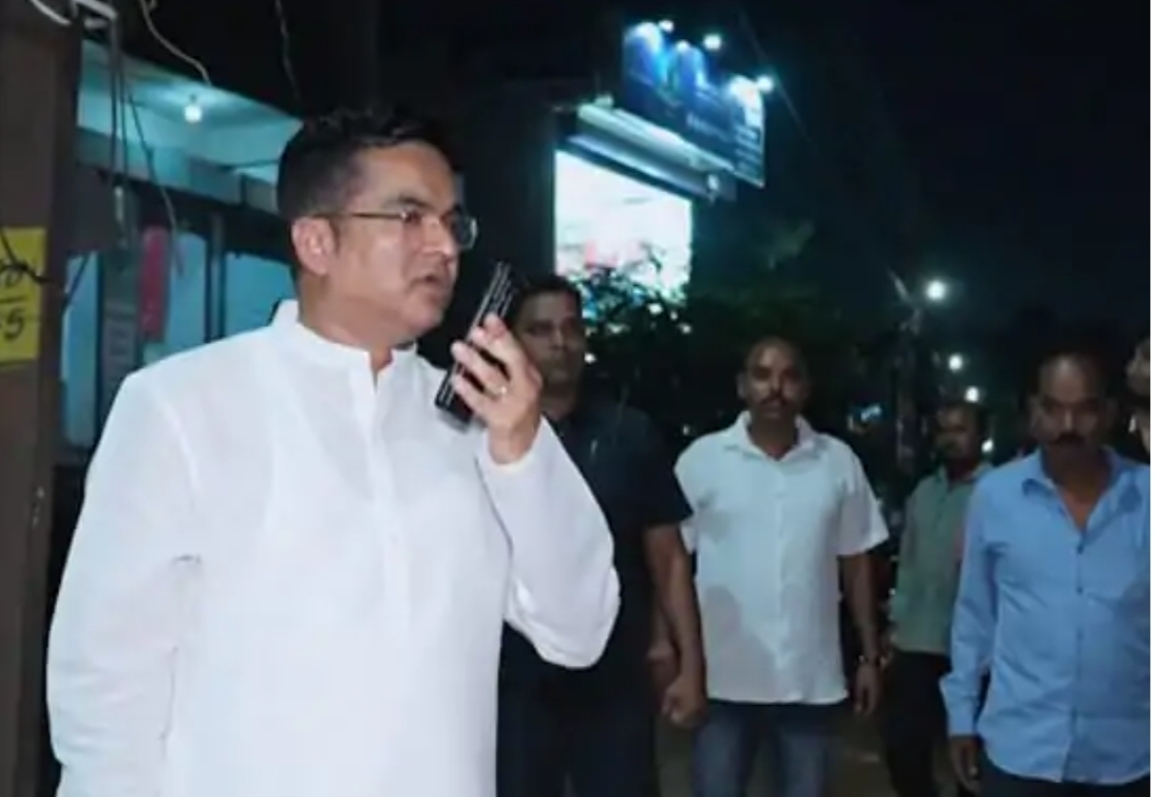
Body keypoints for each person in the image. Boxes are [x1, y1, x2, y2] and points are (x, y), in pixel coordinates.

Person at [46, 108, 620, 797]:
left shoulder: (481, 420)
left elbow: (579, 630)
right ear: (316, 241)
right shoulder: (181, 407)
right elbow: (106, 685)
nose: (444, 246)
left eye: (452, 222)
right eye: (409, 217)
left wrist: (523, 449)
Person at [497, 275, 704, 797]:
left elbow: (669, 559)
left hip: (614, 676)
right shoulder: (481, 435)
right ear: (512, 340)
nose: (560, 342)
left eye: (571, 328)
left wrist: (690, 663)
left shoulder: (628, 433)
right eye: (541, 330)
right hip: (513, 680)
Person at [676, 336, 888, 797]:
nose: (775, 387)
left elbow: (856, 562)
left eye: (790, 376)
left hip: (809, 684)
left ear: (806, 388)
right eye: (762, 375)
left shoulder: (838, 462)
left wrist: (869, 657)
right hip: (722, 681)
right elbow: (672, 562)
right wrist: (668, 652)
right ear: (742, 386)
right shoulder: (702, 461)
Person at [942, 346, 1150, 797]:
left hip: (1130, 759)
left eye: (1085, 410)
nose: (1068, 426)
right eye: (1053, 409)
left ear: (1109, 413)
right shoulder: (996, 497)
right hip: (1020, 754)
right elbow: (975, 617)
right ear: (1033, 413)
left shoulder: (1150, 498)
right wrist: (961, 716)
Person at [880, 400, 989, 797]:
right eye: (944, 430)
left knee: (972, 761)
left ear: (981, 436)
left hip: (976, 649)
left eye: (961, 430)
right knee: (903, 748)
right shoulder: (924, 493)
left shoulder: (999, 492)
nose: (950, 439)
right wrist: (895, 624)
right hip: (918, 640)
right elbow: (908, 563)